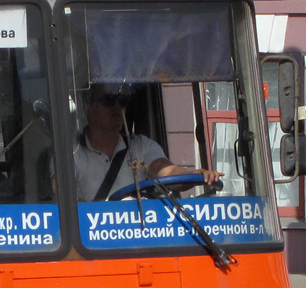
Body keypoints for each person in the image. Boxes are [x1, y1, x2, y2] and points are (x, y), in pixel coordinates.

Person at [73, 83, 221, 200]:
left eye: (122, 101)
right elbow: (60, 193)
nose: (117, 107)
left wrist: (192, 175)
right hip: (90, 236)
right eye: (108, 100)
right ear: (88, 108)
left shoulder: (141, 146)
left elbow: (163, 168)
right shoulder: (71, 152)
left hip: (138, 232)